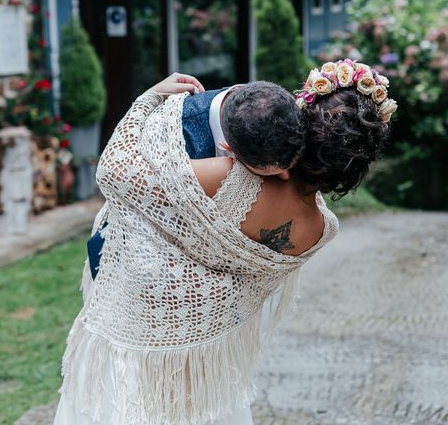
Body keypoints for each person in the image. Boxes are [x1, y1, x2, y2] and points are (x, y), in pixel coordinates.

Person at [53, 59, 396, 425]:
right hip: (206, 364)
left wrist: (148, 99)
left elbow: (121, 174)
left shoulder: (234, 178)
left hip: (144, 340)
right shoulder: (321, 229)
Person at [86, 76, 307, 280]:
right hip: (136, 266)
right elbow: (116, 177)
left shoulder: (270, 112)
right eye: (275, 171)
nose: (286, 177)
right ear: (227, 148)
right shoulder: (171, 136)